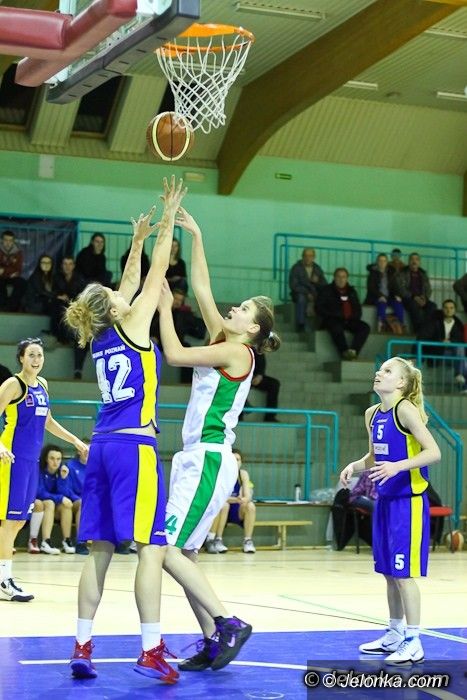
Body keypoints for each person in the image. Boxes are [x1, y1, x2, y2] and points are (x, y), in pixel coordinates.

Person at [64, 176, 186, 683]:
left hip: (101, 447)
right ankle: (151, 648)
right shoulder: (133, 325)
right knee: (151, 548)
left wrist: (136, 239)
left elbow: (132, 280)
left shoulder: (102, 338)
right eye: (115, 293)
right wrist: (168, 219)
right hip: (135, 448)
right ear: (113, 307)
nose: (121, 289)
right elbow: (155, 274)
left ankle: (82, 645)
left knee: (99, 550)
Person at [158, 204, 280, 672]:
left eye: (243, 309)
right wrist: (197, 235)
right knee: (185, 552)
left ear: (253, 328)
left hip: (208, 458)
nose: (233, 308)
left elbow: (173, 354)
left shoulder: (236, 351)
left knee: (166, 549)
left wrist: (165, 308)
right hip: (200, 458)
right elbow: (204, 288)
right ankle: (213, 640)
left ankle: (228, 623)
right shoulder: (225, 339)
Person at [340, 357, 441, 664]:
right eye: (380, 369)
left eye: (387, 371)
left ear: (401, 383)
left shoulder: (405, 410)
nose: (378, 373)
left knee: (403, 574)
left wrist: (398, 466)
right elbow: (374, 456)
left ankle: (414, 640)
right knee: (388, 572)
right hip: (384, 501)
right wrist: (354, 466)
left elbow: (433, 452)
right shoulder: (372, 414)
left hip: (408, 502)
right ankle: (395, 633)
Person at [0, 337, 88, 602]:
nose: (36, 360)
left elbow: (48, 422)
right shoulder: (13, 384)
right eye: (31, 355)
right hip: (12, 460)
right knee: (10, 521)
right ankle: (4, 580)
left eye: (39, 355)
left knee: (19, 521)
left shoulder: (43, 386)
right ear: (21, 358)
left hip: (31, 463)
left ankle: (4, 575)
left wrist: (75, 440)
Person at [205, 449, 257, 554]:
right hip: (221, 511)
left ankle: (248, 541)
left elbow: (247, 496)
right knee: (223, 505)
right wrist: (235, 499)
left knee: (250, 506)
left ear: (241, 462)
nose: (235, 462)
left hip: (236, 510)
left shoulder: (243, 474)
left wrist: (243, 499)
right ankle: (216, 539)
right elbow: (217, 497)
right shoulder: (220, 473)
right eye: (233, 459)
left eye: (238, 459)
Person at [35, 444, 81, 554]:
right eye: (52, 458)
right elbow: (40, 492)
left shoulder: (62, 471)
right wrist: (60, 498)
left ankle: (67, 541)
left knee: (66, 506)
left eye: (58, 459)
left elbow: (65, 493)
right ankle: (46, 542)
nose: (55, 462)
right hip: (41, 506)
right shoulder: (39, 470)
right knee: (50, 503)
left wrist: (63, 479)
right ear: (46, 459)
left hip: (55, 509)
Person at [316, 267, 370, 360]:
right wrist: (332, 314)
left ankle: (353, 351)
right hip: (333, 319)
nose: (341, 279)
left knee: (365, 327)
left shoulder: (352, 291)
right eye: (339, 277)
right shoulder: (326, 290)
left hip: (350, 320)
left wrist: (354, 316)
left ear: (347, 278)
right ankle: (344, 352)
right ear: (334, 278)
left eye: (343, 277)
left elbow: (357, 308)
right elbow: (318, 307)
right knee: (336, 327)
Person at [50, 256, 88, 379]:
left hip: (75, 316)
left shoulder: (79, 279)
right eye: (65, 264)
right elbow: (51, 293)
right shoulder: (56, 278)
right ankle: (60, 336)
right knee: (58, 305)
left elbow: (81, 298)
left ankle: (78, 370)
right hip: (60, 317)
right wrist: (59, 297)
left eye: (70, 264)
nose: (67, 266)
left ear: (74, 266)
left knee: (80, 337)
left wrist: (69, 299)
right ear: (62, 266)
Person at [416, 298, 466, 388]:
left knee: (460, 349)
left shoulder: (458, 325)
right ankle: (462, 383)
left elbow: (460, 340)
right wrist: (440, 342)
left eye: (451, 308)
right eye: (446, 308)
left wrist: (450, 342)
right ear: (442, 309)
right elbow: (423, 336)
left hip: (453, 354)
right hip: (437, 353)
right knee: (463, 361)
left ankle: (460, 376)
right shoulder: (435, 322)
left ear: (455, 310)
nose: (448, 310)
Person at [393, 253, 436, 333]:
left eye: (416, 259)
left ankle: (427, 330)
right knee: (414, 305)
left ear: (419, 262)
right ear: (409, 261)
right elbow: (400, 288)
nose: (414, 261)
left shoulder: (423, 273)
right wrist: (413, 296)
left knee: (432, 306)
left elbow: (428, 288)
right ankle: (417, 331)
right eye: (412, 259)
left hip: (422, 298)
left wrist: (425, 298)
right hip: (408, 298)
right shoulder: (402, 272)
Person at [288, 247, 326, 332]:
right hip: (300, 293)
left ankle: (322, 325)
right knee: (301, 298)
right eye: (306, 255)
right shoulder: (296, 268)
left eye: (310, 256)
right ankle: (301, 324)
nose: (308, 258)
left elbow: (324, 284)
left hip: (315, 294)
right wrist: (307, 293)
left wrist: (317, 282)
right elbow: (293, 285)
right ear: (302, 257)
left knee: (324, 299)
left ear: (314, 257)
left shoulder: (317, 268)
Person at [364, 253, 404, 333]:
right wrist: (380, 296)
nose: (382, 263)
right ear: (377, 262)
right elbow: (371, 288)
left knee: (398, 304)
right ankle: (381, 325)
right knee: (381, 305)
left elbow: (395, 286)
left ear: (387, 262)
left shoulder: (391, 273)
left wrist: (398, 295)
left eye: (384, 261)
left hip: (389, 297)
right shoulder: (372, 273)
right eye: (380, 261)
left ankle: (400, 324)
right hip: (376, 297)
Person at [249, 348, 280, 422]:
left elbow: (261, 359)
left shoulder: (256, 347)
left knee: (274, 384)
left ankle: (270, 416)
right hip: (241, 377)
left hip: (254, 377)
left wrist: (260, 375)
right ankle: (239, 416)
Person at [0, 230, 26, 312]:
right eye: (6, 240)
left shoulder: (18, 253)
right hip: (2, 277)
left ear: (13, 241)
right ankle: (2, 306)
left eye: (10, 240)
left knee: (22, 282)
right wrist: (10, 271)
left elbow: (18, 269)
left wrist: (4, 270)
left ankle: (11, 307)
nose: (8, 243)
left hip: (11, 277)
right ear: (2, 240)